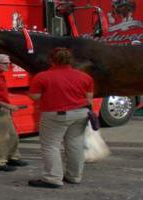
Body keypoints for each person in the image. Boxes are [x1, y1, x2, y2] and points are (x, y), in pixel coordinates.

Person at [27, 47, 95, 189]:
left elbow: (34, 96)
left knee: (51, 145)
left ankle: (53, 178)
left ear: (51, 60)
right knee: (75, 145)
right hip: (80, 113)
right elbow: (89, 99)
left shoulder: (42, 76)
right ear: (71, 60)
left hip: (55, 114)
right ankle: (74, 176)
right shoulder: (84, 76)